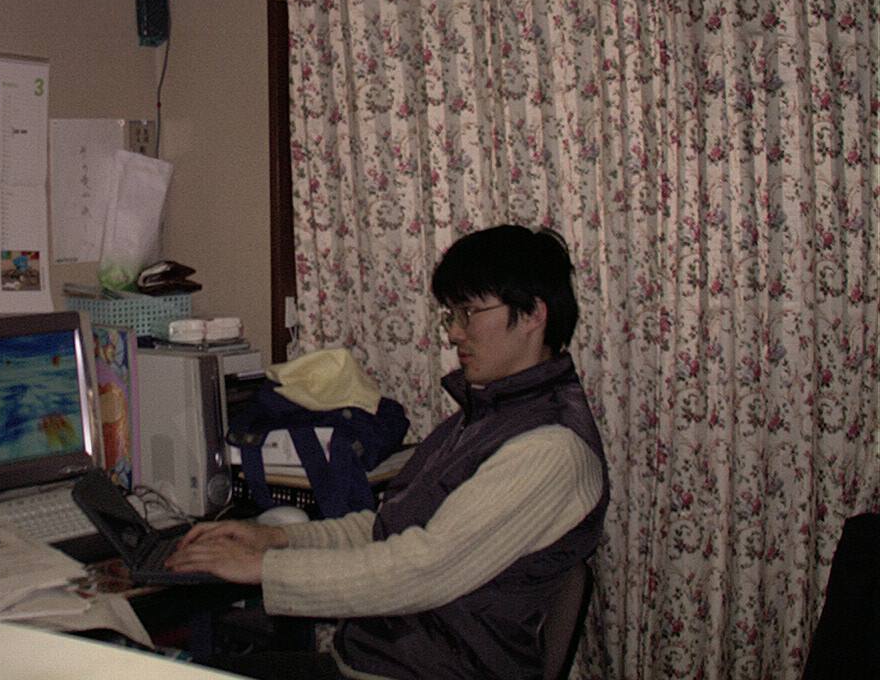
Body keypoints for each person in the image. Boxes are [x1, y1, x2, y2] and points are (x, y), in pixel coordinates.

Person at [166, 225, 609, 680]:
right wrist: (278, 539)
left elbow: (421, 570)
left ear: (533, 314)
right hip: (382, 662)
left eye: (469, 312)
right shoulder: (486, 417)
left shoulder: (550, 448)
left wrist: (264, 569)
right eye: (451, 315)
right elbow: (388, 528)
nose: (454, 333)